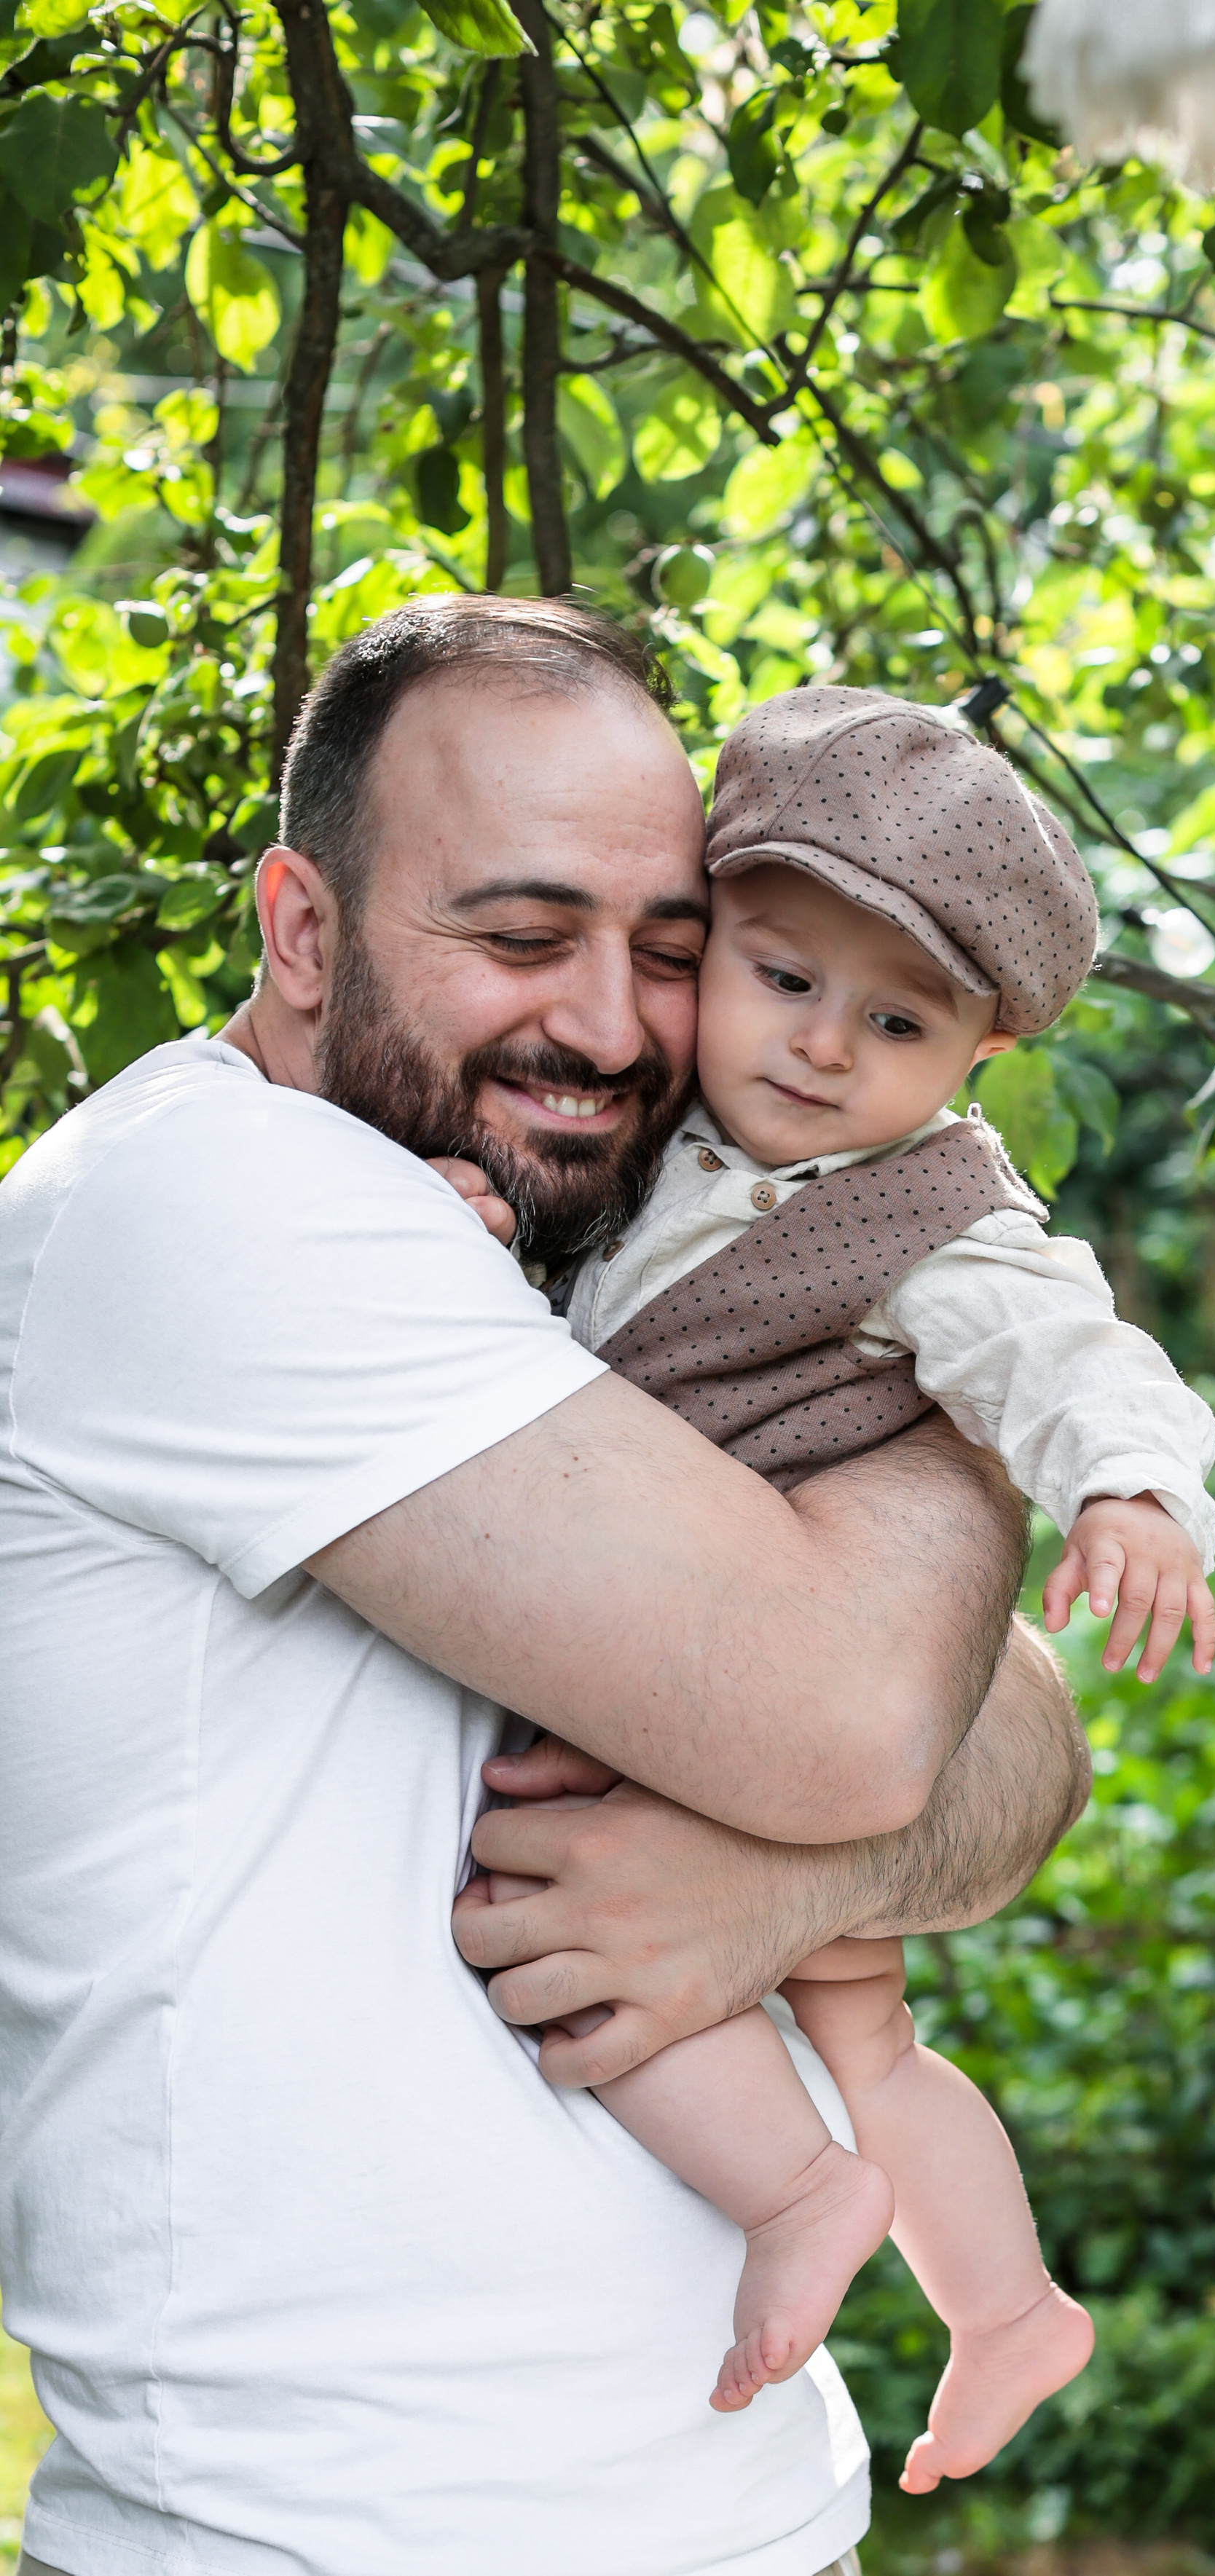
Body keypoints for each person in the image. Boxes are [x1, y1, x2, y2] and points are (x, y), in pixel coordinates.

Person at [0, 596, 1088, 2576]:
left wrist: (793, 1876)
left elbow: (1018, 1745)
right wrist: (939, 1358)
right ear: (302, 930)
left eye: (667, 951)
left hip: (745, 2516)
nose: (606, 1028)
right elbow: (870, 1710)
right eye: (519, 937)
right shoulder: (215, 1199)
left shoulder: (569, 1260)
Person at [452, 688, 1215, 2490]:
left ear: (979, 1051)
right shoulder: (640, 1123)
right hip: (690, 1633)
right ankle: (1006, 2305)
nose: (815, 1046)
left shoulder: (936, 1220)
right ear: (709, 936)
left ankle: (804, 2193)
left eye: (895, 1022)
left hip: (731, 1664)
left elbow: (1066, 1349)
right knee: (866, 2025)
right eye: (782, 977)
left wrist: (1129, 1485)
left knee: (569, 1931)